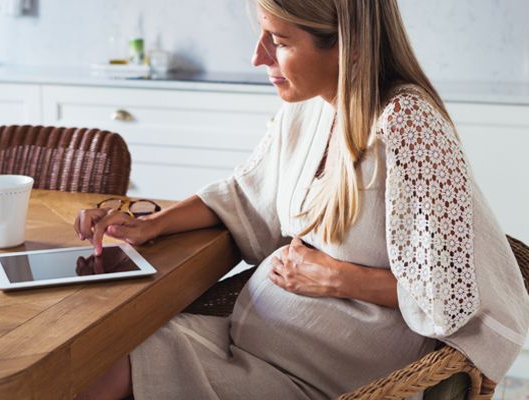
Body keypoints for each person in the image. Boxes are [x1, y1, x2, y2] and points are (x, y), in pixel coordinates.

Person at [74, 0, 529, 398]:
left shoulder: (409, 126)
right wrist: (153, 223)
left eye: (279, 41)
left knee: (99, 378)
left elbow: (447, 301)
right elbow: (246, 193)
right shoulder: (308, 108)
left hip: (325, 379)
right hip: (251, 339)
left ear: (347, 44)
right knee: (88, 368)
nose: (257, 57)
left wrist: (335, 278)